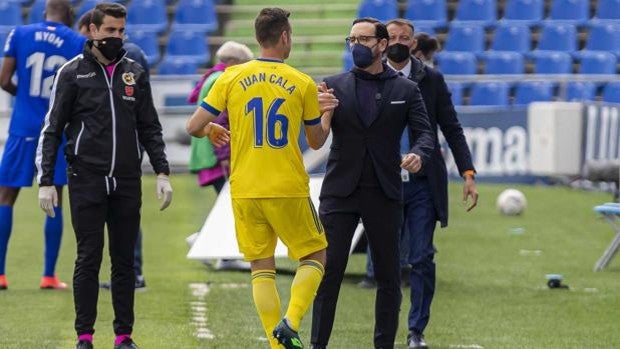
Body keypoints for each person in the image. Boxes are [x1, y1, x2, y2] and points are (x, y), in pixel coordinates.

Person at [186, 7, 337, 349]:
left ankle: (276, 343)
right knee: (316, 256)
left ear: (257, 37)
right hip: (286, 187)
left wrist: (211, 128)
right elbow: (316, 141)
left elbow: (193, 126)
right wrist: (326, 114)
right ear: (285, 37)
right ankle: (291, 322)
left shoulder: (231, 76)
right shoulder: (302, 82)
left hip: (244, 189)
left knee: (261, 267)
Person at [35, 3, 172, 349]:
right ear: (93, 30)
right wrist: (46, 181)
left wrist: (162, 171)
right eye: (110, 30)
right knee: (89, 257)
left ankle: (124, 336)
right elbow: (52, 129)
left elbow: (150, 126)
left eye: (121, 31)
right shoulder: (71, 72)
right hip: (86, 178)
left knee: (124, 261)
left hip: (127, 180)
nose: (117, 37)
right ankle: (84, 336)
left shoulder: (134, 72)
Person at [310, 17, 435, 349]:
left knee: (389, 278)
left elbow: (425, 133)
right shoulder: (332, 85)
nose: (356, 46)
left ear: (382, 44)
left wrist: (419, 154)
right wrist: (322, 114)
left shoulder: (406, 89)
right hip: (339, 192)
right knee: (328, 274)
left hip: (384, 192)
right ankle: (316, 345)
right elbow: (316, 141)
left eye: (364, 39)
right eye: (351, 39)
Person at [385, 18, 478, 349]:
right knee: (389, 261)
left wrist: (468, 173)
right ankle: (386, 329)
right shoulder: (371, 78)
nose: (397, 41)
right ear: (383, 42)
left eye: (403, 37)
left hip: (423, 184)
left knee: (422, 256)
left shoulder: (432, 80)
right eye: (391, 36)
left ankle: (416, 331)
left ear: (413, 43)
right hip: (384, 184)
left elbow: (451, 127)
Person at [0, 0, 85, 291]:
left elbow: (3, 79)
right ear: (69, 14)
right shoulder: (76, 41)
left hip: (22, 126)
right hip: (56, 129)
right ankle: (48, 275)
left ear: (44, 11)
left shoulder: (19, 34)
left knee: (5, 196)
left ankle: (0, 274)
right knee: (54, 196)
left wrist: (23, 95)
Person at [77, 9, 150, 290]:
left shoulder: (125, 59)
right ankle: (131, 271)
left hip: (115, 148)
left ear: (91, 29)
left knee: (117, 210)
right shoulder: (133, 55)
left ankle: (131, 271)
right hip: (126, 144)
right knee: (124, 211)